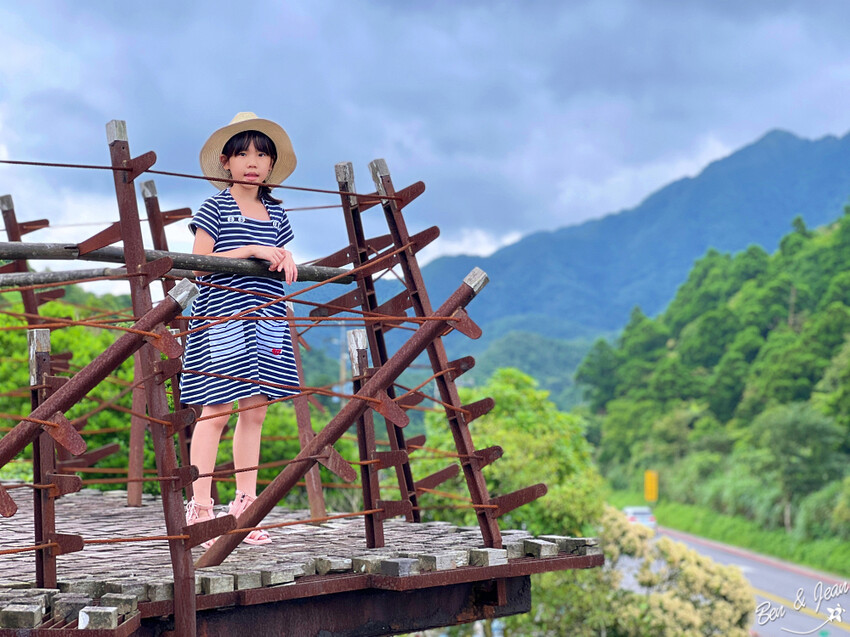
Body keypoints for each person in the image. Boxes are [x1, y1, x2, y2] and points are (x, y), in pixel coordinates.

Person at [180, 112, 300, 546]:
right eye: (243, 154)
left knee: (255, 411)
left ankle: (245, 507)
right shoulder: (214, 208)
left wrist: (285, 257)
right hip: (224, 319)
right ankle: (200, 509)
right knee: (215, 412)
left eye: (262, 155)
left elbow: (279, 256)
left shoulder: (277, 213)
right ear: (226, 161)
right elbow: (198, 264)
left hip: (266, 318)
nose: (252, 162)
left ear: (271, 165)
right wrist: (251, 249)